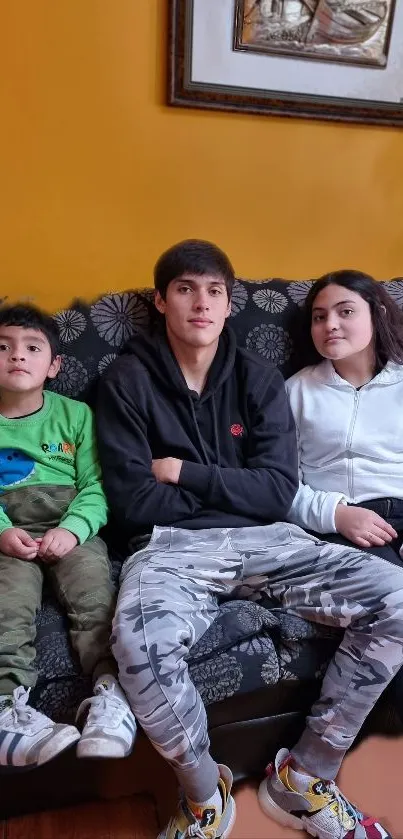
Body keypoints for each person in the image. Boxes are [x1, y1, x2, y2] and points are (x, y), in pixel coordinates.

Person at [96, 241, 403, 839]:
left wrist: (187, 473)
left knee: (398, 597)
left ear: (230, 302)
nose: (201, 304)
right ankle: (204, 791)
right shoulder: (126, 381)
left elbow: (275, 491)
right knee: (138, 648)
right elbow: (133, 501)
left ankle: (307, 776)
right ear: (161, 301)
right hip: (170, 546)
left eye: (214, 291)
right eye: (186, 289)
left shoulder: (260, 378)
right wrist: (236, 491)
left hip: (274, 539)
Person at [0, 304, 136, 769]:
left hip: (69, 527)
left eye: (32, 348)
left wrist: (73, 531)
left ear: (53, 365)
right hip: (7, 533)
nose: (17, 356)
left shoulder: (76, 415)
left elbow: (96, 487)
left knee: (95, 595)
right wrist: (2, 533)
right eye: (3, 347)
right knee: (9, 603)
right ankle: (5, 708)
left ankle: (109, 695)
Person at [286, 269, 403, 565]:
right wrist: (335, 515)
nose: (331, 325)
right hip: (336, 522)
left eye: (346, 312)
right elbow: (280, 483)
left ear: (377, 314)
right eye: (319, 317)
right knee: (388, 588)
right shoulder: (295, 391)